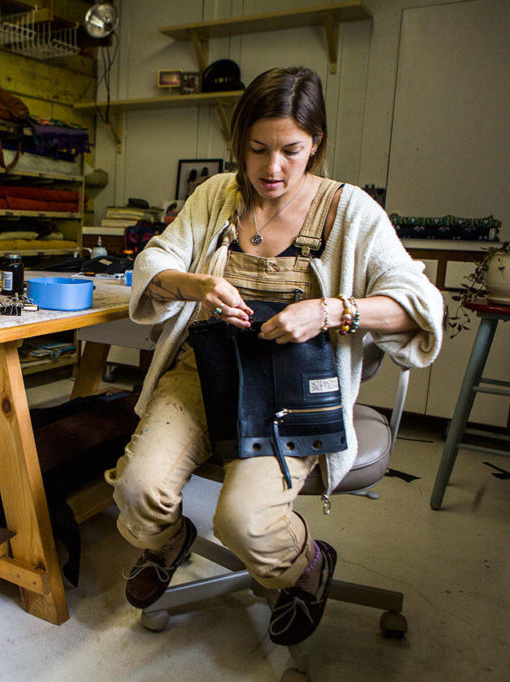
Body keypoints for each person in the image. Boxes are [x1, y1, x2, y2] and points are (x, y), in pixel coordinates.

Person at [106, 66, 444, 646]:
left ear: (316, 143)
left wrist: (333, 310)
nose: (271, 168)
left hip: (291, 388)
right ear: (239, 144)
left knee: (243, 521)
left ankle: (306, 568)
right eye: (256, 149)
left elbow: (421, 305)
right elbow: (153, 263)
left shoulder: (350, 211)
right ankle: (169, 542)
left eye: (291, 150)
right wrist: (197, 286)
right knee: (137, 493)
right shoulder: (218, 194)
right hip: (205, 371)